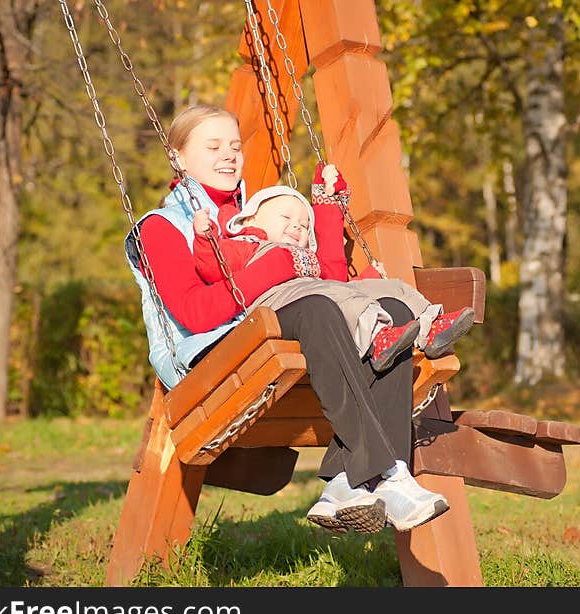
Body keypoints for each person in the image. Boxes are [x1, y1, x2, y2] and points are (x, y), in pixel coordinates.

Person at [124, 104, 451, 533]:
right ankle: (383, 474)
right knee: (317, 309)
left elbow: (330, 282)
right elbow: (193, 313)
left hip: (276, 334)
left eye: (235, 146)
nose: (228, 155)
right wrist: (278, 264)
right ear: (179, 157)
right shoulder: (163, 227)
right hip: (209, 354)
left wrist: (327, 209)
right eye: (213, 146)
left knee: (392, 313)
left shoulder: (256, 215)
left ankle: (346, 483)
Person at [190, 164, 475, 373]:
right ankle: (378, 337)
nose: (296, 226)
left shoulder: (306, 258)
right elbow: (214, 268)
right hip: (282, 303)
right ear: (251, 219)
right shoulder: (246, 245)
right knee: (335, 295)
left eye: (303, 225)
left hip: (324, 293)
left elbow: (334, 273)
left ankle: (431, 325)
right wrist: (205, 238)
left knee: (393, 286)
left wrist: (327, 201)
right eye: (286, 217)